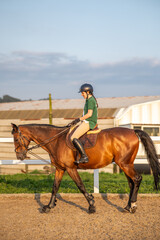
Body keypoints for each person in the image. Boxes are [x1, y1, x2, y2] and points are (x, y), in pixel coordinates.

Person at [69, 83, 98, 164]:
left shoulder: (91, 100)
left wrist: (78, 119)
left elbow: (89, 114)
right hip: (85, 121)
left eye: (83, 93)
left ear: (88, 92)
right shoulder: (88, 100)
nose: (82, 94)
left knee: (73, 137)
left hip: (89, 122)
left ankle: (84, 157)